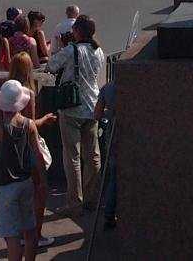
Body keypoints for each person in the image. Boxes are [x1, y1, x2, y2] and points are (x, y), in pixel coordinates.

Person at [0, 79, 47, 261]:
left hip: (6, 186)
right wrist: (41, 181)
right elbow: (38, 156)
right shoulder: (29, 125)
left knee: (12, 238)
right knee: (30, 231)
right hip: (26, 182)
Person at [46, 14, 104, 214]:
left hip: (72, 108)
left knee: (72, 156)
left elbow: (51, 66)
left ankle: (74, 203)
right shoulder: (99, 51)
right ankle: (92, 198)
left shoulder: (72, 50)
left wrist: (64, 47)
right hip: (93, 107)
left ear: (77, 31)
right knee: (93, 155)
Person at [94, 79, 117, 230]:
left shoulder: (108, 88)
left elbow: (97, 115)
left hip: (114, 135)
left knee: (114, 176)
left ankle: (109, 213)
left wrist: (110, 112)